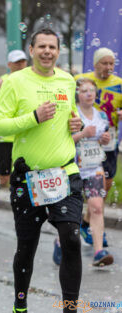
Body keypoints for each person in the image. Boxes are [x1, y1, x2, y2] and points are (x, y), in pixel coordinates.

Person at [0, 28, 83, 313]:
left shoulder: (67, 80)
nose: (47, 52)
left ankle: (70, 307)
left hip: (65, 172)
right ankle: (20, 303)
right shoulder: (15, 82)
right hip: (28, 178)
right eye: (41, 46)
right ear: (31, 50)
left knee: (70, 236)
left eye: (52, 47)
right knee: (26, 245)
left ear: (58, 50)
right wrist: (32, 118)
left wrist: (75, 124)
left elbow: (71, 116)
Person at [53, 78, 114, 267]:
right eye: (84, 90)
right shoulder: (72, 114)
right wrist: (82, 134)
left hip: (94, 168)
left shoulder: (102, 116)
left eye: (91, 90)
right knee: (72, 213)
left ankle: (98, 252)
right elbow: (61, 141)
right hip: (72, 170)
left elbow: (107, 141)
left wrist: (104, 139)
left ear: (96, 94)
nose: (88, 93)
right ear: (77, 94)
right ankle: (59, 242)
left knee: (96, 207)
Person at [74, 47, 122, 247]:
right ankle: (93, 228)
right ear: (95, 64)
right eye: (104, 63)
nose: (109, 67)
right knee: (92, 189)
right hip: (82, 141)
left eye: (112, 63)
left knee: (106, 184)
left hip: (107, 138)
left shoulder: (119, 84)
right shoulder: (81, 79)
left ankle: (87, 222)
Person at [0, 50, 28, 205]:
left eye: (23, 61)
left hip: (23, 135)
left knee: (24, 174)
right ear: (9, 65)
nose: (20, 65)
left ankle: (21, 201)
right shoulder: (0, 82)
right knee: (3, 176)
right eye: (17, 62)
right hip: (4, 137)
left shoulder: (30, 81)